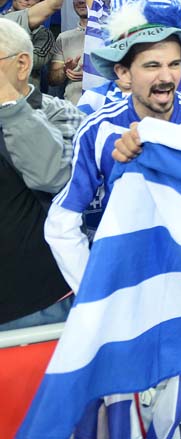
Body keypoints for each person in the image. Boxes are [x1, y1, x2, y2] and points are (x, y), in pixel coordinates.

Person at [44, 0, 181, 294]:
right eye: (152, 65)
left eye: (174, 64)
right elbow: (61, 222)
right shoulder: (98, 129)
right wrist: (94, 293)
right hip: (128, 289)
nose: (167, 77)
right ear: (124, 74)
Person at [0, 18, 83, 331]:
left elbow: (53, 176)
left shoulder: (61, 112)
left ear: (21, 64)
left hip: (36, 307)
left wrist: (9, 104)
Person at [3, 0, 71, 90]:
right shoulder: (3, 19)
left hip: (24, 102)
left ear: (40, 3)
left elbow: (37, 61)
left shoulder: (44, 35)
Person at [53, 0, 94, 104]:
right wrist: (65, 70)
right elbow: (53, 80)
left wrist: (93, 74)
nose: (81, 0)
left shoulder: (111, 34)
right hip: (72, 112)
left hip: (105, 113)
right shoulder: (64, 38)